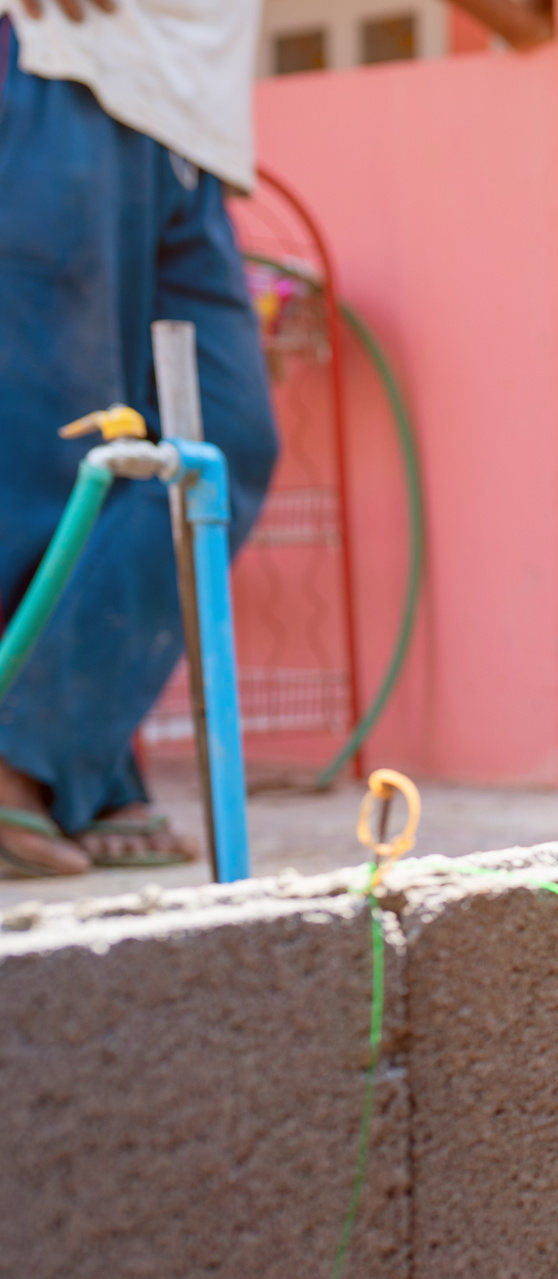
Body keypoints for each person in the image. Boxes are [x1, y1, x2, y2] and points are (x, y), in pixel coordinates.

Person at [0, 0, 276, 876]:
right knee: (57, 450)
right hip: (64, 81)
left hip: (186, 127)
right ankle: (42, 767)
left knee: (223, 441)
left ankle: (60, 752)